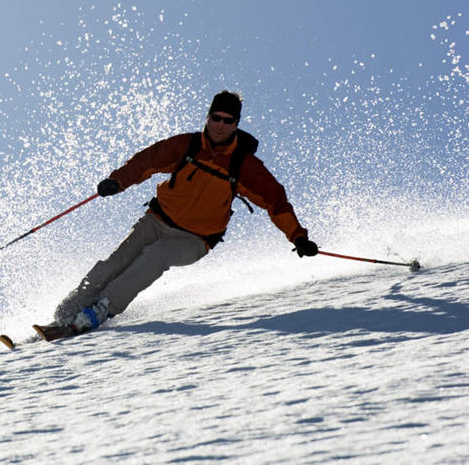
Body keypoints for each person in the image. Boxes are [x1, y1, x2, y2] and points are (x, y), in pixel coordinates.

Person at [52, 90, 318, 333]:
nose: (221, 125)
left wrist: (298, 237)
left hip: (194, 238)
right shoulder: (187, 146)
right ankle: (66, 313)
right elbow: (147, 161)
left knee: (154, 257)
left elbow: (276, 202)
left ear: (236, 124)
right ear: (208, 116)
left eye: (228, 120)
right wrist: (118, 181)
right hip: (157, 220)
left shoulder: (244, 165)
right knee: (115, 263)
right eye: (216, 118)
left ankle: (101, 309)